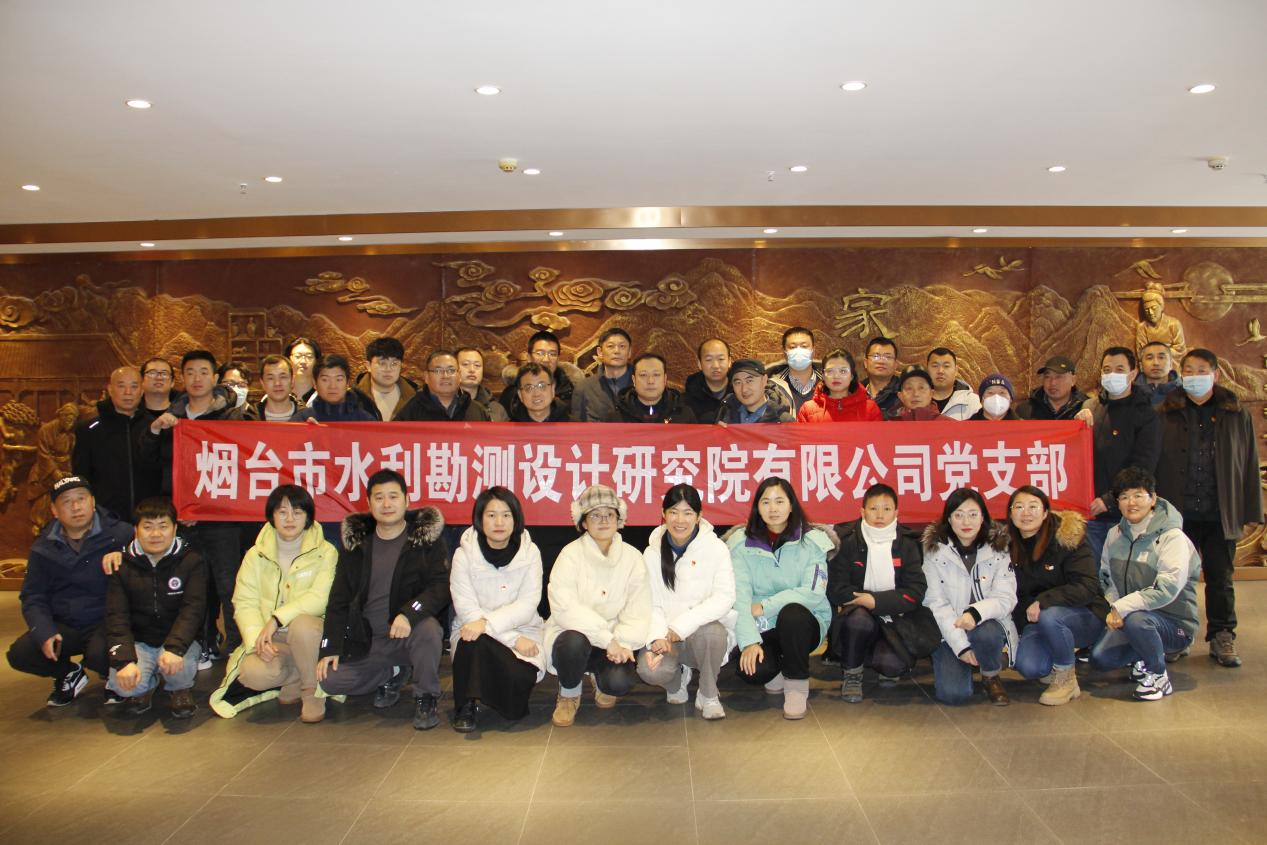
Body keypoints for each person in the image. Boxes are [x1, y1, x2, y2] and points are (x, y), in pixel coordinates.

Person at [318, 470, 449, 730]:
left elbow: (441, 586)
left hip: (408, 635)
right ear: (369, 503)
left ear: (407, 500)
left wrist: (410, 613)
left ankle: (425, 696)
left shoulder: (425, 540)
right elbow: (338, 599)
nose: (386, 504)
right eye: (379, 498)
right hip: (368, 640)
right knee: (330, 680)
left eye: (393, 496)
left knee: (429, 630)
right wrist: (329, 646)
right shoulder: (357, 545)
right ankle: (394, 672)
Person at [1154, 348, 1261, 668]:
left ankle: (1222, 635)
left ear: (1215, 375)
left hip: (1219, 510)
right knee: (1175, 579)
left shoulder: (1235, 413)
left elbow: (1248, 462)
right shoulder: (1165, 412)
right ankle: (1177, 635)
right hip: (1178, 511)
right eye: (1188, 370)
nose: (1194, 377)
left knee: (1220, 578)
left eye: (1202, 371)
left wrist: (1250, 509)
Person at [210, 485, 338, 722]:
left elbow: (320, 598)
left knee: (302, 626)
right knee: (252, 673)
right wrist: (257, 639)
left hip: (311, 634)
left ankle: (312, 689)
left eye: (297, 512)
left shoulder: (326, 551)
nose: (290, 519)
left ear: (308, 517)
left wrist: (277, 619)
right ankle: (296, 676)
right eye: (282, 512)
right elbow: (244, 601)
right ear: (272, 516)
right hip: (274, 637)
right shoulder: (255, 555)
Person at [143, 350, 240, 662]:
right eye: (190, 372)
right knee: (192, 587)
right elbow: (151, 466)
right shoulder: (171, 419)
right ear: (182, 378)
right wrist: (155, 431)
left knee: (229, 585)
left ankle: (237, 646)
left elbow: (241, 467)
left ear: (215, 378)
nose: (197, 379)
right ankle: (202, 643)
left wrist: (206, 507)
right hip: (182, 519)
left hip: (222, 519)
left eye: (204, 372)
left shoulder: (232, 418)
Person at [6, 476, 132, 707]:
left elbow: (152, 566)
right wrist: (44, 631)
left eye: (81, 499)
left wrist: (126, 556)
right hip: (67, 624)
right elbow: (33, 596)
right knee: (21, 654)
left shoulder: (121, 534)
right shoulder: (42, 547)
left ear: (92, 502)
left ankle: (115, 677)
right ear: (54, 511)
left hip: (108, 621)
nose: (76, 507)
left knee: (100, 655)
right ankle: (68, 673)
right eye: (66, 502)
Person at [726, 478, 833, 720]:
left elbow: (813, 592)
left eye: (779, 501)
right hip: (761, 625)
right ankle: (776, 669)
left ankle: (796, 685)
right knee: (753, 671)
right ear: (757, 507)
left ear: (791, 505)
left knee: (792, 614)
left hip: (804, 622)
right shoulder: (741, 544)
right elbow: (739, 597)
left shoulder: (812, 541)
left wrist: (765, 606)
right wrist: (749, 642)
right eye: (766, 502)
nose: (773, 509)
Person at [544, 484, 650, 727]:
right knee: (572, 642)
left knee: (619, 683)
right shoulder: (569, 555)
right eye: (595, 515)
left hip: (614, 640)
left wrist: (620, 644)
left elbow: (638, 610)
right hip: (575, 635)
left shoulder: (633, 558)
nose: (603, 521)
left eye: (609, 514)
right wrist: (606, 639)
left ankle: (600, 679)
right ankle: (569, 692)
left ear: (619, 519)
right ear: (583, 522)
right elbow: (565, 608)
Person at [1090, 467, 1200, 700]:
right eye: (1124, 497)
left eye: (1138, 495)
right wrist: (1115, 606)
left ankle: (1158, 676)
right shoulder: (1114, 535)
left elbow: (1167, 589)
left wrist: (1123, 607)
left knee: (1139, 621)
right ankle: (1144, 656)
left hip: (1174, 625)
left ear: (1153, 498)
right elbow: (1106, 577)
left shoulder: (1173, 537)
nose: (1131, 502)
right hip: (1131, 617)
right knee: (1101, 658)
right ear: (1118, 503)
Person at [636, 484, 736, 720]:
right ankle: (676, 680)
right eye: (673, 512)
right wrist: (657, 637)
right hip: (666, 636)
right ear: (663, 514)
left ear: (699, 516)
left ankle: (708, 693)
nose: (680, 520)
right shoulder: (652, 552)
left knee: (712, 633)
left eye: (688, 512)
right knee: (650, 671)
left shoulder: (716, 548)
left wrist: (681, 626)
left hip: (700, 635)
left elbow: (725, 597)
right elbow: (650, 602)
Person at [827, 483, 935, 702]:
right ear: (862, 512)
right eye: (873, 508)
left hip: (896, 619)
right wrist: (865, 602)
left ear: (896, 512)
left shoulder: (908, 543)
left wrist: (875, 600)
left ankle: (875, 654)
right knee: (858, 621)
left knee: (892, 666)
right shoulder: (847, 541)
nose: (879, 515)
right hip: (858, 615)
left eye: (886, 509)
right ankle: (852, 673)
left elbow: (915, 591)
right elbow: (836, 589)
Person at [449, 487, 544, 732]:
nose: (499, 522)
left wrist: (489, 625)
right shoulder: (463, 555)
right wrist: (510, 638)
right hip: (477, 632)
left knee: (515, 696)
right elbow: (466, 609)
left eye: (506, 515)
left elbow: (527, 605)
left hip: (524, 631)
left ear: (516, 519)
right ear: (480, 519)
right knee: (472, 640)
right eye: (491, 515)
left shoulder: (530, 553)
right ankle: (465, 706)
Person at [103, 497, 206, 718]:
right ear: (136, 530)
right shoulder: (121, 564)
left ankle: (179, 689)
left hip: (178, 640)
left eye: (163, 526)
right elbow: (116, 616)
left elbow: (193, 610)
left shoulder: (191, 561)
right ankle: (146, 686)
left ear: (175, 528)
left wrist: (175, 648)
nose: (156, 534)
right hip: (140, 642)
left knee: (179, 672)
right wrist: (125, 660)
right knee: (123, 685)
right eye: (148, 527)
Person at [1006, 486, 1107, 706]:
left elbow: (1087, 586)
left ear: (1045, 513)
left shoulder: (1067, 538)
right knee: (1030, 667)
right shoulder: (1007, 546)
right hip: (1036, 620)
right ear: (1010, 514)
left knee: (1050, 616)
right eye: (1019, 507)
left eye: (1033, 507)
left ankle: (1066, 677)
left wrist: (1043, 601)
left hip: (1084, 614)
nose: (1026, 513)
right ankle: (1055, 660)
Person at [922, 488, 1017, 706]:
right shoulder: (933, 552)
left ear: (983, 517)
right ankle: (972, 657)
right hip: (948, 630)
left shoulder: (998, 549)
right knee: (954, 695)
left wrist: (975, 613)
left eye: (973, 514)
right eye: (958, 515)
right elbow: (936, 604)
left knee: (986, 634)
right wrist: (961, 646)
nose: (966, 522)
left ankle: (990, 674)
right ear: (949, 519)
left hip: (986, 625)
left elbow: (1006, 597)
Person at [1074, 346, 1161, 567]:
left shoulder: (1146, 414)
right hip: (1090, 514)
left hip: (1126, 514)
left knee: (1123, 575)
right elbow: (1074, 458)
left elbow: (1143, 466)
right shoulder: (1089, 407)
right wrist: (1075, 427)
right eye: (1107, 369)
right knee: (1091, 574)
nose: (1112, 374)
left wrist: (1110, 500)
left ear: (1133, 373)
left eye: (1119, 369)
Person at [72, 365, 161, 522]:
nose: (128, 392)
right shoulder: (89, 430)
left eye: (134, 386)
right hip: (106, 520)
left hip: (150, 519)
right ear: (110, 389)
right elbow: (81, 477)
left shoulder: (155, 427)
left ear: (142, 391)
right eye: (121, 386)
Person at [397, 350, 491, 422]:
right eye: (438, 371)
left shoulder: (477, 410)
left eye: (451, 370)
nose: (445, 376)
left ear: (459, 375)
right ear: (426, 377)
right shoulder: (411, 410)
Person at [499, 330, 577, 414]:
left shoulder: (569, 391)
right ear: (529, 357)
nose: (546, 360)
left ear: (558, 359)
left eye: (552, 354)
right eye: (540, 353)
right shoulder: (512, 395)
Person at [796, 349, 883, 423]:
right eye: (830, 371)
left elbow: (878, 437)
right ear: (823, 376)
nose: (836, 376)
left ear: (852, 376)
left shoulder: (870, 409)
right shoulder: (807, 410)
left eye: (843, 371)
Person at [607, 352, 696, 423]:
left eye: (656, 375)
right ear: (634, 380)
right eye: (643, 375)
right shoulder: (616, 417)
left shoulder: (684, 415)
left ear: (665, 379)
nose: (650, 381)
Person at [571, 328, 634, 423]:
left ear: (629, 352)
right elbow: (577, 427)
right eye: (610, 346)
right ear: (600, 352)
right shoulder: (584, 388)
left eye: (622, 346)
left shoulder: (643, 384)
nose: (617, 351)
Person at [355, 337, 417, 422]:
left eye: (394, 363)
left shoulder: (415, 398)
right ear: (368, 366)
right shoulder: (352, 398)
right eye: (382, 363)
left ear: (401, 366)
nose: (388, 369)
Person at [716, 359, 795, 424]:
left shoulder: (783, 421)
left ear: (764, 380)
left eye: (749, 381)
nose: (744, 389)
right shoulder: (725, 414)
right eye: (738, 383)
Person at [301, 354, 377, 421]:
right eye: (325, 380)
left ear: (347, 383)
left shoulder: (365, 420)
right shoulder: (303, 419)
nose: (332, 386)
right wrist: (307, 431)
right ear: (315, 383)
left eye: (339, 379)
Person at [232, 355, 307, 421]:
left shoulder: (306, 417)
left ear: (292, 381)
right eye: (270, 378)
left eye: (283, 377)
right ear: (262, 383)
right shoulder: (247, 418)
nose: (277, 383)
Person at [767, 326, 822, 415]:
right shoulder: (773, 386)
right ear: (784, 352)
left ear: (813, 351)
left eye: (804, 346)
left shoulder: (827, 382)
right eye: (792, 347)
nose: (798, 351)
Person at [1015, 356, 1088, 420]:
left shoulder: (1086, 408)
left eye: (1059, 377)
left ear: (1073, 380)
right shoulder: (1026, 410)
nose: (1053, 383)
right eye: (1047, 377)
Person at [682, 338, 732, 423]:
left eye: (721, 359)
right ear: (699, 364)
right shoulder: (686, 402)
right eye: (709, 360)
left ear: (729, 361)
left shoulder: (740, 394)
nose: (715, 366)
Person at [926, 347, 982, 420]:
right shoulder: (916, 401)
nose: (940, 371)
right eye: (935, 366)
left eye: (946, 366)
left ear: (956, 371)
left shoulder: (972, 402)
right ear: (927, 370)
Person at [456, 346, 509, 422]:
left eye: (477, 365)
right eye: (465, 364)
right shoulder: (445, 403)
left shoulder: (496, 409)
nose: (472, 370)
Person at [508, 363, 573, 422]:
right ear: (520, 395)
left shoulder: (573, 427)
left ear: (552, 390)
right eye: (529, 388)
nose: (536, 394)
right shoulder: (509, 429)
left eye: (542, 386)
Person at [861, 336, 902, 418]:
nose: (881, 361)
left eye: (888, 357)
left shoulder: (904, 392)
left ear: (895, 365)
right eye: (875, 356)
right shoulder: (854, 392)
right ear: (865, 363)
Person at [1136, 341, 1180, 407]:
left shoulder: (1184, 391)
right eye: (1149, 358)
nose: (1156, 363)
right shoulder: (1131, 391)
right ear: (1141, 365)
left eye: (1161, 357)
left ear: (1171, 364)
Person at [285, 337, 321, 403]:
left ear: (316, 361)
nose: (303, 361)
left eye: (309, 356)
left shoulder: (324, 397)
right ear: (288, 359)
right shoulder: (277, 396)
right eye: (298, 356)